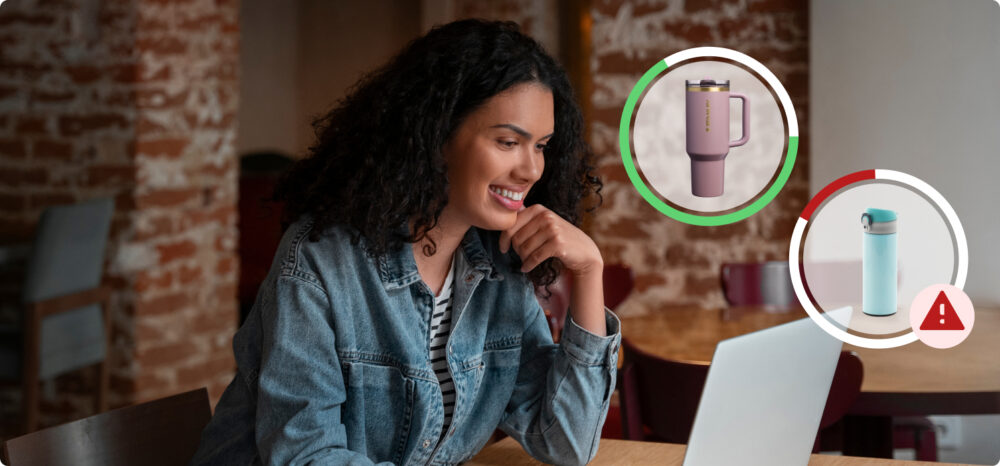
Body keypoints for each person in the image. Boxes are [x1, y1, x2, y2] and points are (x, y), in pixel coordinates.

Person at [191, 18, 621, 466]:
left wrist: (590, 271)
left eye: (542, 146)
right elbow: (307, 456)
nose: (531, 169)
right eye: (509, 141)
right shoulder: (320, 261)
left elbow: (567, 444)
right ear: (436, 136)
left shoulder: (500, 268)